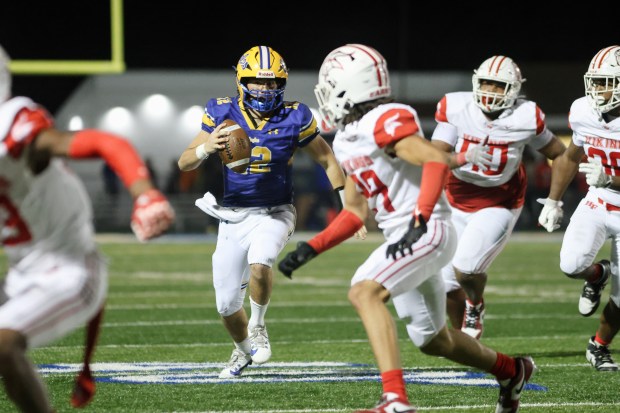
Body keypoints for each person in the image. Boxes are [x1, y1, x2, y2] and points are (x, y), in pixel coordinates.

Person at [278, 43, 535, 413]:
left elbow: (434, 160)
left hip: (426, 230)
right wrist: (311, 248)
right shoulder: (348, 139)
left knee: (364, 292)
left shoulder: (386, 118)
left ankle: (395, 399)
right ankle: (512, 371)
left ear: (351, 87)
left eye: (331, 85)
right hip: (407, 235)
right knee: (434, 341)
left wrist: (420, 218)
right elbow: (354, 211)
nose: (327, 94)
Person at [0, 45, 175, 413]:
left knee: (3, 344)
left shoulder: (14, 130)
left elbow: (103, 141)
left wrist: (144, 194)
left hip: (71, 268)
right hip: (22, 271)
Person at [177, 45, 351, 379]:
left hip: (276, 211)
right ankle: (243, 351)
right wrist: (206, 147)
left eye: (272, 83)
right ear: (242, 80)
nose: (265, 88)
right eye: (257, 81)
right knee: (226, 306)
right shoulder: (221, 111)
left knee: (260, 263)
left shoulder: (295, 115)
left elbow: (327, 159)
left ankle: (257, 326)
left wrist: (347, 205)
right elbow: (185, 161)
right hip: (233, 216)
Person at [430, 55, 566, 337]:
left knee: (466, 269)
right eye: (486, 84)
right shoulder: (455, 107)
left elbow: (559, 155)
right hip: (454, 200)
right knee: (444, 284)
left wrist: (554, 200)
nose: (490, 91)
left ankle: (476, 305)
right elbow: (435, 157)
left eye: (498, 85)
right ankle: (464, 345)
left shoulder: (527, 115)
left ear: (514, 89)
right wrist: (463, 155)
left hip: (499, 201)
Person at [538, 45, 620, 371]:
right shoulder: (583, 110)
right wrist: (554, 200)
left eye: (608, 82)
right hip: (599, 199)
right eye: (596, 82)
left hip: (611, 189)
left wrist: (613, 176)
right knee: (571, 263)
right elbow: (572, 156)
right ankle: (597, 274)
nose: (599, 90)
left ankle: (598, 345)